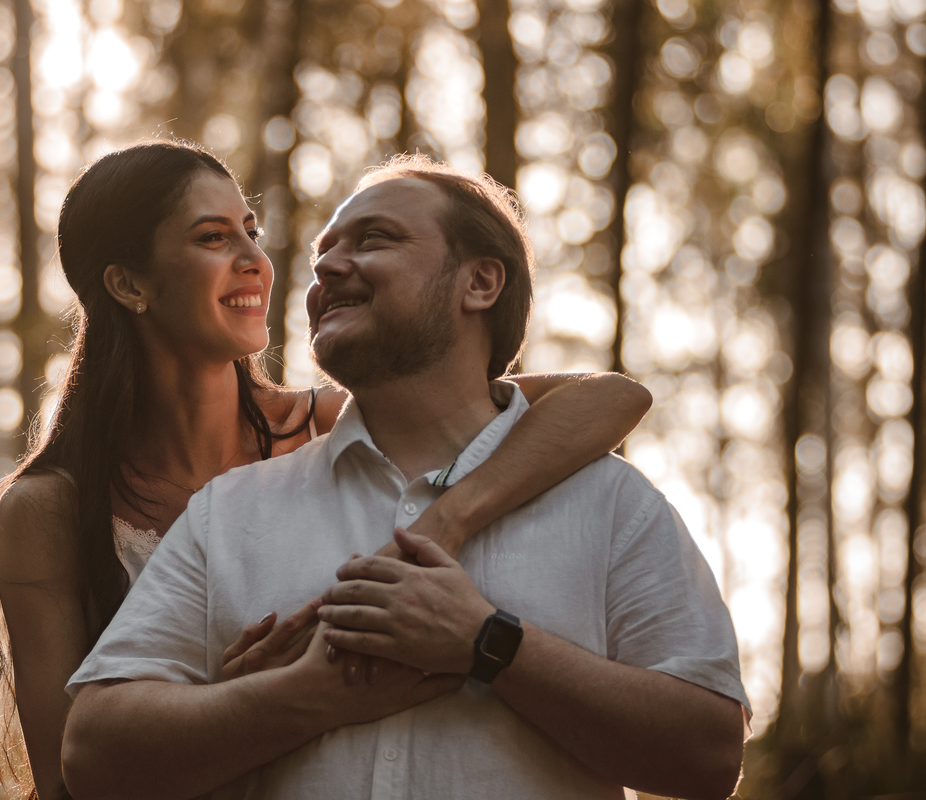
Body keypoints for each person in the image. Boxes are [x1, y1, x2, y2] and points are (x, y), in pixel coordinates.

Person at [61, 155, 750, 800]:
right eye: (321, 253)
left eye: (374, 240)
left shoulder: (608, 502)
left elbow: (710, 757)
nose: (326, 267)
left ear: (479, 282)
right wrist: (305, 696)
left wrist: (490, 644)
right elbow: (92, 753)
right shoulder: (232, 510)